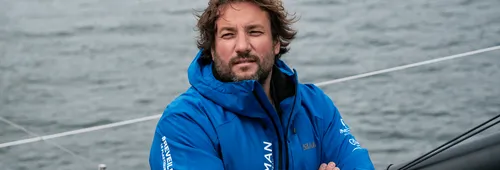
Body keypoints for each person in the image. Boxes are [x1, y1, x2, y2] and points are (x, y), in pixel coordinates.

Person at [149, 0, 375, 169]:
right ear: (211, 48)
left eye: (254, 32)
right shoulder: (184, 122)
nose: (242, 46)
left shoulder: (315, 106)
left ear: (276, 43)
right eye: (228, 35)